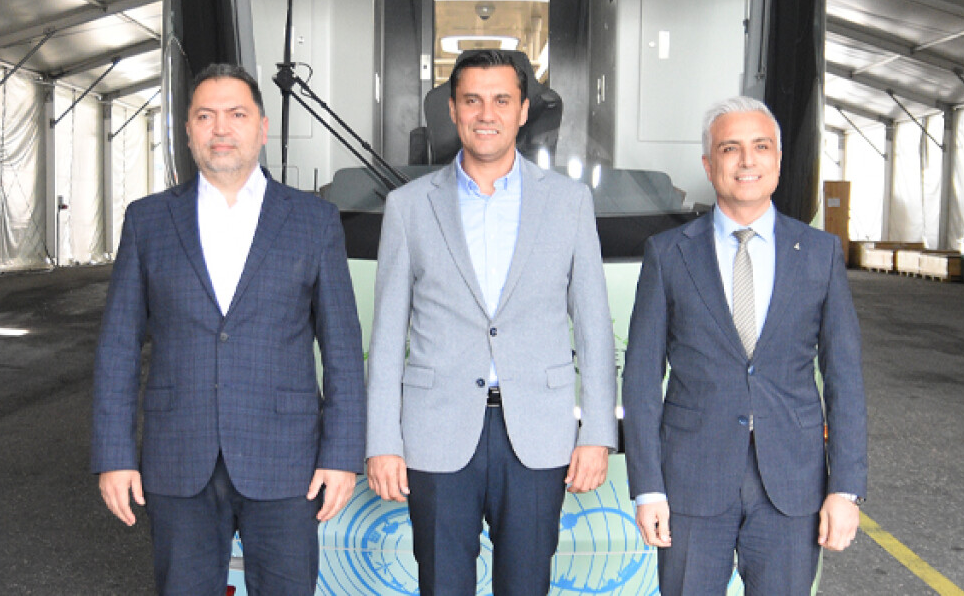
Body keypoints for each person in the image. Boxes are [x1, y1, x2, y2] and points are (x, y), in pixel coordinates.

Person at [91, 63, 366, 595]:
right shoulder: (148, 221)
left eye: (236, 115)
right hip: (178, 456)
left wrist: (341, 454)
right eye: (205, 116)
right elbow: (119, 346)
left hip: (286, 459)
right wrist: (114, 455)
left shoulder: (314, 220)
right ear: (187, 131)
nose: (221, 129)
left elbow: (342, 348)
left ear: (262, 127)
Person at [365, 50, 617, 595]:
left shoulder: (570, 203)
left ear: (523, 111)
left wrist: (597, 432)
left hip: (538, 433)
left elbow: (594, 327)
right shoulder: (408, 206)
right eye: (472, 100)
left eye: (502, 100)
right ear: (452, 111)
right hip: (435, 433)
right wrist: (382, 439)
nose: (487, 114)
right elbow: (386, 338)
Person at [622, 96, 868, 595]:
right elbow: (642, 378)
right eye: (730, 148)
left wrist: (845, 488)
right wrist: (647, 487)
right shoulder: (668, 254)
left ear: (778, 160)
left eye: (761, 146)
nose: (747, 160)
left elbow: (844, 377)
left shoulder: (819, 253)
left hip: (792, 485)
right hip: (692, 482)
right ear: (708, 165)